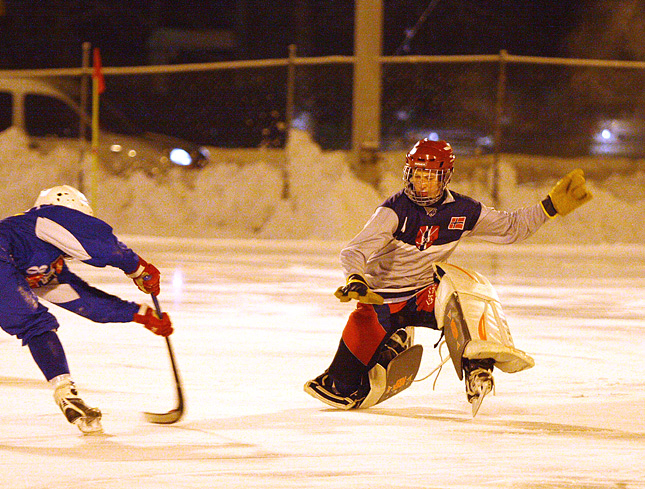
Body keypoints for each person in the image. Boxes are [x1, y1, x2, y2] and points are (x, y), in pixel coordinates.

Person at [304, 138, 592, 411]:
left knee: (462, 291)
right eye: (416, 175)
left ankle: (477, 366)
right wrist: (356, 279)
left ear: (444, 179)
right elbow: (353, 251)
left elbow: (511, 227)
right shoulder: (394, 210)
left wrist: (550, 207)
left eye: (429, 176)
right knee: (340, 388)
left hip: (423, 296)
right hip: (381, 301)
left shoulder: (463, 211)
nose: (421, 183)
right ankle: (391, 344)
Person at [0, 185, 173, 434]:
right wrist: (137, 267)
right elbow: (99, 243)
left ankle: (65, 393)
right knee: (35, 323)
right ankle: (65, 394)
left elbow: (84, 301)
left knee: (36, 324)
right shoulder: (47, 216)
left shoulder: (35, 249)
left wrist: (140, 314)